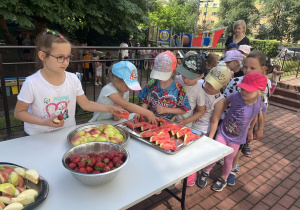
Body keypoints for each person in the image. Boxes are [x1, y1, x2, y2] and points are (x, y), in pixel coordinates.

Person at [14, 29, 124, 135]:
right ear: (42, 56)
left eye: (68, 57)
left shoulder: (73, 79)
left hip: (66, 133)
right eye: (60, 57)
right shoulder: (32, 83)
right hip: (37, 137)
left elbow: (86, 104)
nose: (65, 62)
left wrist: (110, 109)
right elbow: (19, 112)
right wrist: (44, 122)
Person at [197, 72, 267, 191]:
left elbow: (258, 116)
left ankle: (223, 178)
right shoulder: (235, 96)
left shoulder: (260, 105)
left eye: (248, 91)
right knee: (215, 154)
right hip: (223, 132)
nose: (243, 92)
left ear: (259, 92)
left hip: (237, 139)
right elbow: (225, 102)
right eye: (242, 89)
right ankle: (206, 171)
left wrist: (254, 129)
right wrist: (218, 115)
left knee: (229, 160)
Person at [221, 50, 270, 185]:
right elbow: (224, 101)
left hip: (245, 123)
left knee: (238, 147)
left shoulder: (263, 86)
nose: (247, 70)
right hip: (228, 120)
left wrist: (258, 129)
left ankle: (231, 169)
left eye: (252, 68)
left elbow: (261, 109)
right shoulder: (236, 81)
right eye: (245, 67)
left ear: (262, 68)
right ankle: (222, 166)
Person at [186, 66, 232, 187]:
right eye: (208, 82)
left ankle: (195, 172)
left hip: (202, 129)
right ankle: (188, 169)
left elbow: (214, 121)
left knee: (197, 153)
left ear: (222, 86)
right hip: (190, 123)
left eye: (213, 85)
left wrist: (210, 138)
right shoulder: (199, 86)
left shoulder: (219, 100)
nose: (208, 87)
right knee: (187, 150)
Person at [90, 61, 157, 124]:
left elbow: (119, 114)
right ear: (116, 80)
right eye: (127, 85)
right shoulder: (108, 89)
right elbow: (126, 105)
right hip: (98, 122)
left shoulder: (125, 92)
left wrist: (117, 117)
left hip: (111, 123)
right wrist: (148, 113)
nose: (129, 88)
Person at [137, 51, 191, 120]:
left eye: (162, 74)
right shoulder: (152, 84)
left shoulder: (178, 89)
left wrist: (166, 110)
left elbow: (183, 109)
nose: (159, 77)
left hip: (168, 123)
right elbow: (145, 101)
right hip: (150, 119)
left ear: (173, 72)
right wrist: (141, 112)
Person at [174, 54, 206, 128]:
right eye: (184, 75)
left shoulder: (199, 92)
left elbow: (200, 112)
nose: (185, 80)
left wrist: (186, 121)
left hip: (184, 125)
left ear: (200, 76)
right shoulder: (177, 79)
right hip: (169, 119)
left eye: (190, 77)